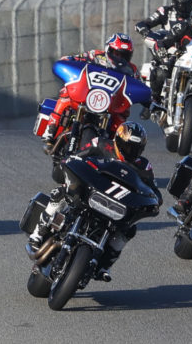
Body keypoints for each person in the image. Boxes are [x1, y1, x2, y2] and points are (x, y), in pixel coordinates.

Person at [27, 121, 160, 282]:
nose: (132, 152)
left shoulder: (144, 166)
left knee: (129, 229)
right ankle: (38, 233)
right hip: (88, 192)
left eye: (136, 149)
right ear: (118, 140)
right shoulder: (101, 144)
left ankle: (106, 264)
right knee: (59, 193)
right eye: (128, 146)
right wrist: (68, 163)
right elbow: (78, 157)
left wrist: (153, 201)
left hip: (114, 207)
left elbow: (154, 191)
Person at [41, 33, 139, 148]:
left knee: (123, 113)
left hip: (113, 101)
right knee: (66, 94)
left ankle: (115, 145)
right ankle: (51, 128)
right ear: (108, 49)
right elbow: (74, 58)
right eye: (117, 53)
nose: (120, 58)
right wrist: (67, 60)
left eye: (124, 56)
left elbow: (140, 86)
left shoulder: (132, 70)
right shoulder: (95, 55)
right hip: (88, 93)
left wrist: (147, 100)